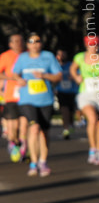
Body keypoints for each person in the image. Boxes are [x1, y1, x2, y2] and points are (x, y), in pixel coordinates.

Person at [9, 33, 62, 177]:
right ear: (27, 44)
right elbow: (14, 73)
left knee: (44, 132)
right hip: (27, 100)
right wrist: (19, 79)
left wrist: (44, 76)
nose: (34, 44)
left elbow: (58, 75)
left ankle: (42, 162)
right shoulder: (23, 58)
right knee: (34, 128)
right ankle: (33, 162)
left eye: (37, 41)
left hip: (46, 100)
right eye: (31, 41)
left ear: (41, 43)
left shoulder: (48, 57)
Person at [70, 35, 99, 164]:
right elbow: (72, 69)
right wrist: (77, 77)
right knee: (92, 118)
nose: (93, 47)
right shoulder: (79, 57)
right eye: (90, 44)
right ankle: (92, 149)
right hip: (85, 93)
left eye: (95, 44)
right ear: (86, 45)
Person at [1, 34, 27, 162]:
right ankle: (14, 142)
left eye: (21, 41)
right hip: (11, 95)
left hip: (27, 95)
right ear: (10, 44)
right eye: (16, 41)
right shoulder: (5, 56)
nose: (19, 43)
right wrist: (13, 78)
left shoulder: (28, 55)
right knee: (13, 126)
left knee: (24, 123)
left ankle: (22, 143)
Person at [55, 49, 78, 139]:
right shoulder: (55, 66)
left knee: (71, 110)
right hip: (60, 91)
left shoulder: (70, 65)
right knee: (64, 109)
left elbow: (77, 74)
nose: (62, 56)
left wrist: (73, 76)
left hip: (71, 90)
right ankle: (66, 128)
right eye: (60, 54)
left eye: (63, 54)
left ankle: (71, 124)